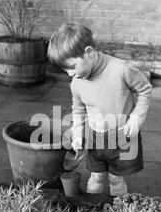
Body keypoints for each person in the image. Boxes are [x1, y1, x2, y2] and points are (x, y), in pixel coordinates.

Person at [47, 23, 152, 196]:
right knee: (96, 177)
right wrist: (78, 132)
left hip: (122, 136)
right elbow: (79, 109)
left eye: (72, 67)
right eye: (65, 70)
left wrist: (136, 117)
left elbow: (144, 89)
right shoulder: (77, 82)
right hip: (96, 137)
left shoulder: (121, 70)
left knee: (116, 179)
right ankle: (92, 210)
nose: (70, 74)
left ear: (89, 52)